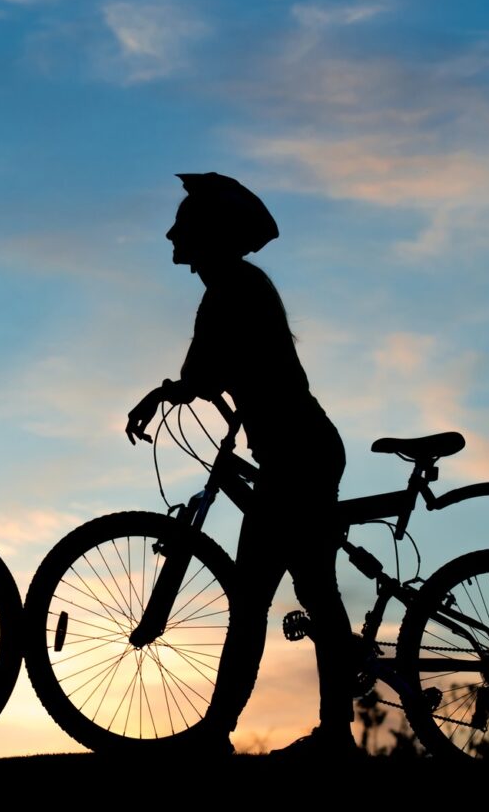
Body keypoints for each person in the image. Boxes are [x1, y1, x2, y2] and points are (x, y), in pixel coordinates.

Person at [124, 173, 355, 759]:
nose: (177, 239)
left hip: (297, 455)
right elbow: (212, 372)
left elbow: (202, 375)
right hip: (299, 449)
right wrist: (176, 390)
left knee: (259, 597)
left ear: (207, 236)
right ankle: (327, 733)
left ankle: (230, 732)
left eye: (188, 227)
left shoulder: (234, 289)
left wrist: (164, 394)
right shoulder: (234, 287)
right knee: (306, 590)